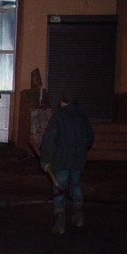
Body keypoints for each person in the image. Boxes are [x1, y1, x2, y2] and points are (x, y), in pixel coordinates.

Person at [39, 96, 94, 234]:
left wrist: (45, 159)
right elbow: (90, 138)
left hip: (61, 160)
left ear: (63, 103)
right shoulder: (83, 117)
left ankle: (60, 224)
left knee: (59, 189)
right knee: (75, 185)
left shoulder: (58, 117)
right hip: (78, 160)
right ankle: (79, 217)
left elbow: (49, 139)